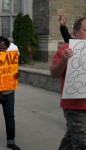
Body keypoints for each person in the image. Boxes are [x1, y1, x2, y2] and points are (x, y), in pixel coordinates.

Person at [50, 17, 86, 150]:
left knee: (72, 138)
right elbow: (53, 73)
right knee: (82, 144)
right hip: (76, 107)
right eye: (85, 30)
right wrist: (64, 60)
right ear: (76, 31)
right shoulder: (66, 48)